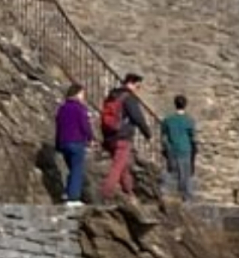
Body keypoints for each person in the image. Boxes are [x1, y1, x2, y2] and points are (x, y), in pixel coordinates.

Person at [101, 71, 151, 200]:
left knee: (123, 166)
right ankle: (106, 193)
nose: (138, 90)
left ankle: (129, 193)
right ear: (131, 83)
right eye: (138, 86)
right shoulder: (128, 97)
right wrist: (147, 133)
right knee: (118, 166)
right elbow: (137, 117)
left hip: (110, 135)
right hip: (122, 136)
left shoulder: (112, 96)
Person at [54, 83, 93, 207]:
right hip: (76, 141)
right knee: (77, 169)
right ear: (77, 94)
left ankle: (67, 193)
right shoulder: (80, 108)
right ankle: (73, 198)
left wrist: (58, 144)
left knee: (72, 169)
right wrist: (90, 138)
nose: (83, 97)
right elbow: (84, 125)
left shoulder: (62, 108)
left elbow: (59, 126)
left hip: (64, 142)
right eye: (82, 94)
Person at [159, 94, 198, 201]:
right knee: (185, 175)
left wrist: (165, 146)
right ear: (185, 105)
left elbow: (163, 134)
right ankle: (186, 196)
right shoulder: (189, 120)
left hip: (172, 149)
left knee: (172, 172)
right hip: (185, 148)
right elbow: (192, 136)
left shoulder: (168, 120)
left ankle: (168, 194)